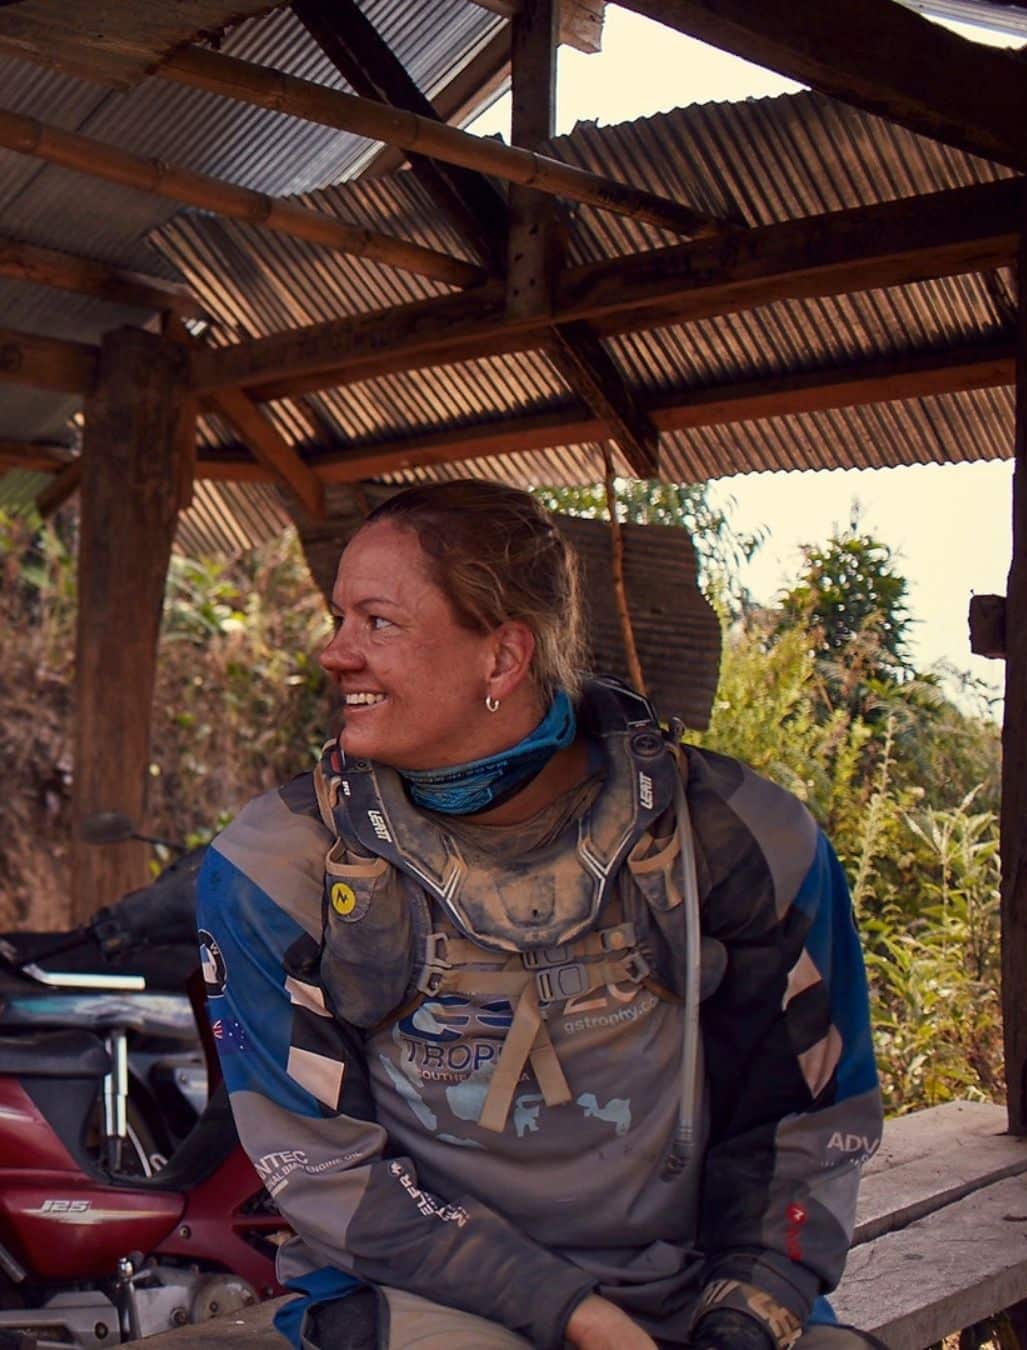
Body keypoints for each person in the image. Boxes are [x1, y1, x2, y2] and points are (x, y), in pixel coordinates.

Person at [196, 481, 884, 1350]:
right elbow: (323, 1167)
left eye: (377, 622)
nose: (335, 654)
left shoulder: (741, 839)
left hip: (689, 1286)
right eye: (340, 618)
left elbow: (808, 1123)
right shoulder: (277, 868)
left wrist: (747, 1311)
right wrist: (576, 1315)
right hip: (427, 1294)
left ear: (503, 659)